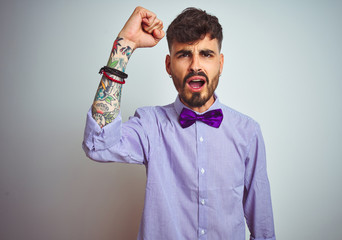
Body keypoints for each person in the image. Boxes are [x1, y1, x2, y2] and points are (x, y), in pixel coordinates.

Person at [83, 6, 276, 240]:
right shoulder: (149, 125)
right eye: (184, 54)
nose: (195, 65)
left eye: (206, 54)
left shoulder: (248, 132)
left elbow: (263, 228)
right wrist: (126, 44)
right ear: (168, 65)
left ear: (221, 63)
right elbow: (99, 144)